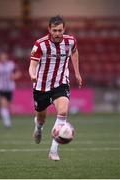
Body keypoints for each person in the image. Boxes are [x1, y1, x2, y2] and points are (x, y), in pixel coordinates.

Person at [29, 15, 82, 161]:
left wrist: (77, 73)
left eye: (60, 30)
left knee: (63, 111)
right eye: (54, 30)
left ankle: (53, 150)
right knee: (41, 117)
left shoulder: (70, 41)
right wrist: (33, 75)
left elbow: (74, 52)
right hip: (41, 86)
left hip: (60, 83)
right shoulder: (40, 44)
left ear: (64, 29)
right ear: (49, 30)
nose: (57, 33)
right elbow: (32, 65)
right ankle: (38, 128)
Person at [0, 52, 21, 128]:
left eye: (5, 57)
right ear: (0, 58)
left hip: (10, 88)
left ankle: (7, 121)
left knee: (7, 106)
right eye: (2, 57)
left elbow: (18, 73)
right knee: (3, 104)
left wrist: (14, 77)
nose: (3, 59)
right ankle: (7, 124)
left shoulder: (11, 64)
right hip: (0, 88)